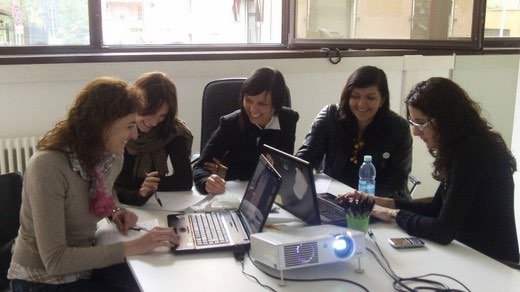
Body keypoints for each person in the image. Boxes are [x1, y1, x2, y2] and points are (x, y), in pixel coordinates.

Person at [7, 77, 179, 291]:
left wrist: (116, 211)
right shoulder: (48, 166)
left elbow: (104, 193)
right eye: (129, 126)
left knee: (156, 281)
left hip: (84, 264)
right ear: (103, 125)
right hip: (41, 279)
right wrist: (133, 246)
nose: (135, 134)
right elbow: (55, 260)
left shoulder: (111, 157)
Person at [341, 77, 519, 263]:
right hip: (468, 254)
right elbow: (437, 207)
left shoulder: (473, 150)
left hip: (493, 264)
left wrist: (393, 214)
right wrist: (383, 202)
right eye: (413, 122)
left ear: (446, 120)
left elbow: (443, 230)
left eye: (420, 123)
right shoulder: (462, 146)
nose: (416, 132)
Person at [296, 66, 413, 200]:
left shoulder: (398, 127)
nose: (361, 104)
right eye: (355, 96)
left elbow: (397, 179)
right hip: (334, 196)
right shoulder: (330, 115)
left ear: (383, 99)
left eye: (370, 98)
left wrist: (361, 199)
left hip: (379, 202)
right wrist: (296, 175)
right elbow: (307, 156)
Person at [193, 67, 299, 194]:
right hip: (232, 193)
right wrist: (207, 181)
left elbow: (281, 170)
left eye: (262, 104)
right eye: (248, 100)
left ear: (276, 104)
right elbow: (200, 167)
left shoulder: (288, 119)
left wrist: (227, 172)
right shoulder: (230, 123)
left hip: (268, 193)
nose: (253, 110)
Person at [115, 72, 194, 206]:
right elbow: (111, 185)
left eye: (161, 115)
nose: (154, 122)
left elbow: (185, 181)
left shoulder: (171, 130)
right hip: (119, 206)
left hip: (155, 206)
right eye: (151, 112)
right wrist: (141, 187)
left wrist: (148, 187)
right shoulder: (118, 128)